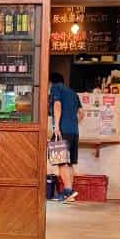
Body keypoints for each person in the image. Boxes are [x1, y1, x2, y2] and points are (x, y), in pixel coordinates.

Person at [48, 72, 84, 202]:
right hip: (74, 132)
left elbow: (57, 105)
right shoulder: (73, 93)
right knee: (69, 162)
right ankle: (70, 194)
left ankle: (68, 191)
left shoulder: (55, 88)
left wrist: (57, 126)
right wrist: (73, 123)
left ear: (51, 82)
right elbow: (81, 113)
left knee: (60, 161)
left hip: (62, 130)